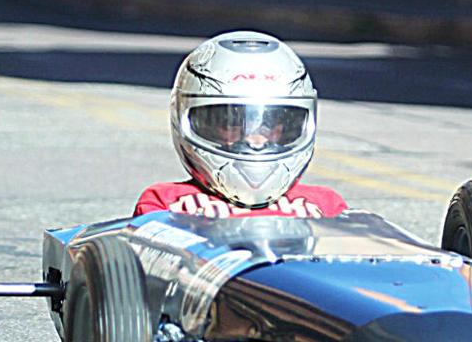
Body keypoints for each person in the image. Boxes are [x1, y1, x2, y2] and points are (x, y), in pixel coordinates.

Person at [133, 31, 348, 220]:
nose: (255, 140)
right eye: (233, 123)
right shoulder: (165, 201)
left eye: (269, 124)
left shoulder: (325, 205)